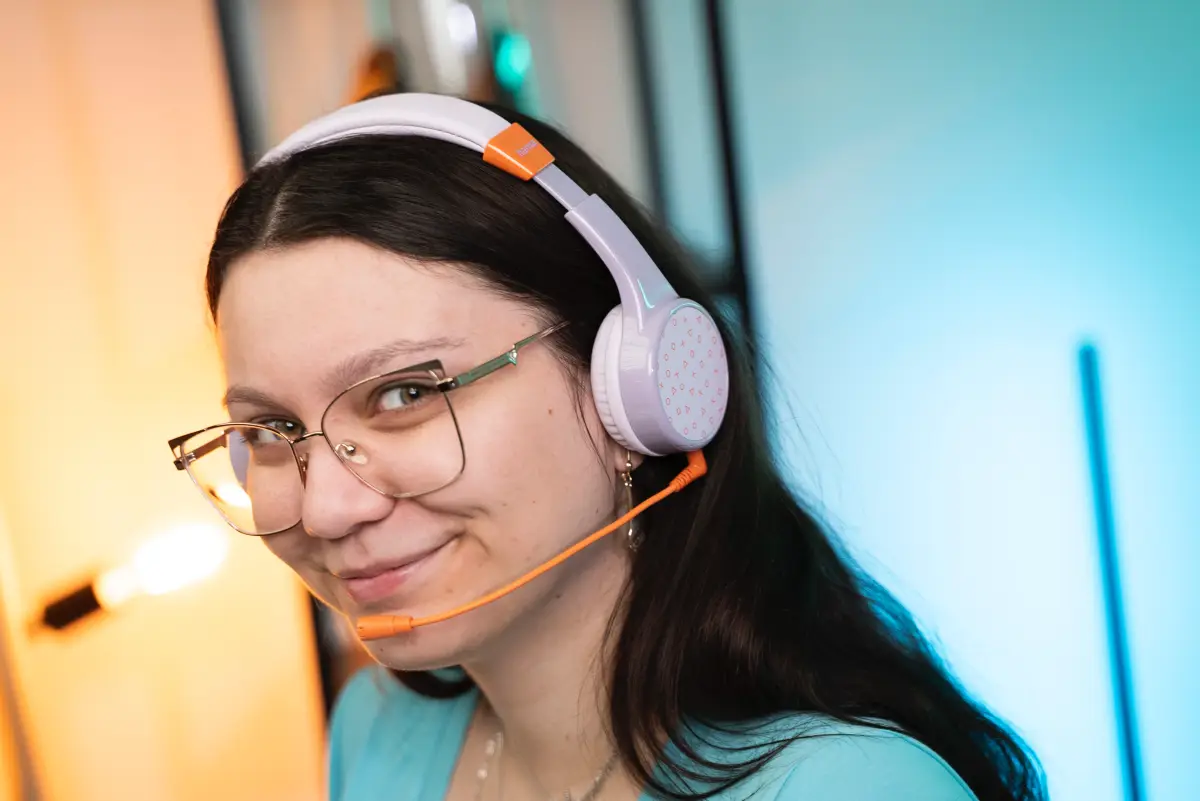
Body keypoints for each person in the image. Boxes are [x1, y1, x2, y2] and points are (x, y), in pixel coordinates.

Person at [169, 93, 1045, 801]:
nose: (326, 507)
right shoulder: (376, 725)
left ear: (633, 389)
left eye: (407, 393)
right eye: (271, 431)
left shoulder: (851, 789)